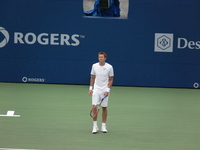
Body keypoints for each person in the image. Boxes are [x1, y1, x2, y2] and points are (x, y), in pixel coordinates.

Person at [88, 52, 114, 134]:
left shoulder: (109, 67)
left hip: (104, 90)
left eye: (102, 57)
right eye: (99, 57)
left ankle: (103, 126)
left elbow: (111, 79)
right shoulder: (94, 66)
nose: (100, 58)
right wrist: (90, 88)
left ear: (105, 58)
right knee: (94, 107)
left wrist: (107, 90)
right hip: (96, 90)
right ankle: (95, 126)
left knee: (104, 107)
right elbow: (92, 77)